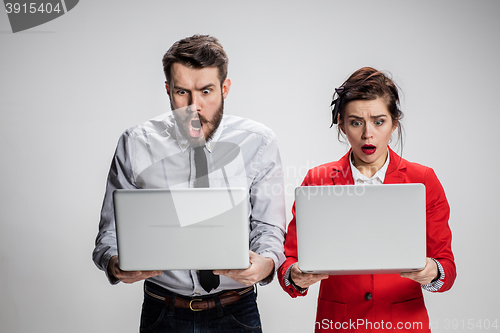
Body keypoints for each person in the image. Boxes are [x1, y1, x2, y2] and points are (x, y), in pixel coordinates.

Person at [93, 34, 286, 332]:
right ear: (168, 90)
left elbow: (269, 228)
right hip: (163, 312)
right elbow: (108, 235)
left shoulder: (258, 142)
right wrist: (115, 263)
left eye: (206, 91)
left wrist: (266, 263)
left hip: (237, 311)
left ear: (225, 88)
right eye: (182, 92)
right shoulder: (135, 143)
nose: (194, 107)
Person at [278, 67, 456, 332]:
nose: (367, 134)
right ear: (341, 123)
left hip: (404, 323)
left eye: (379, 121)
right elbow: (289, 259)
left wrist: (433, 271)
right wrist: (294, 276)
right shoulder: (318, 180)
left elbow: (446, 266)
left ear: (394, 123)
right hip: (338, 323)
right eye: (356, 122)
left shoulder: (423, 180)